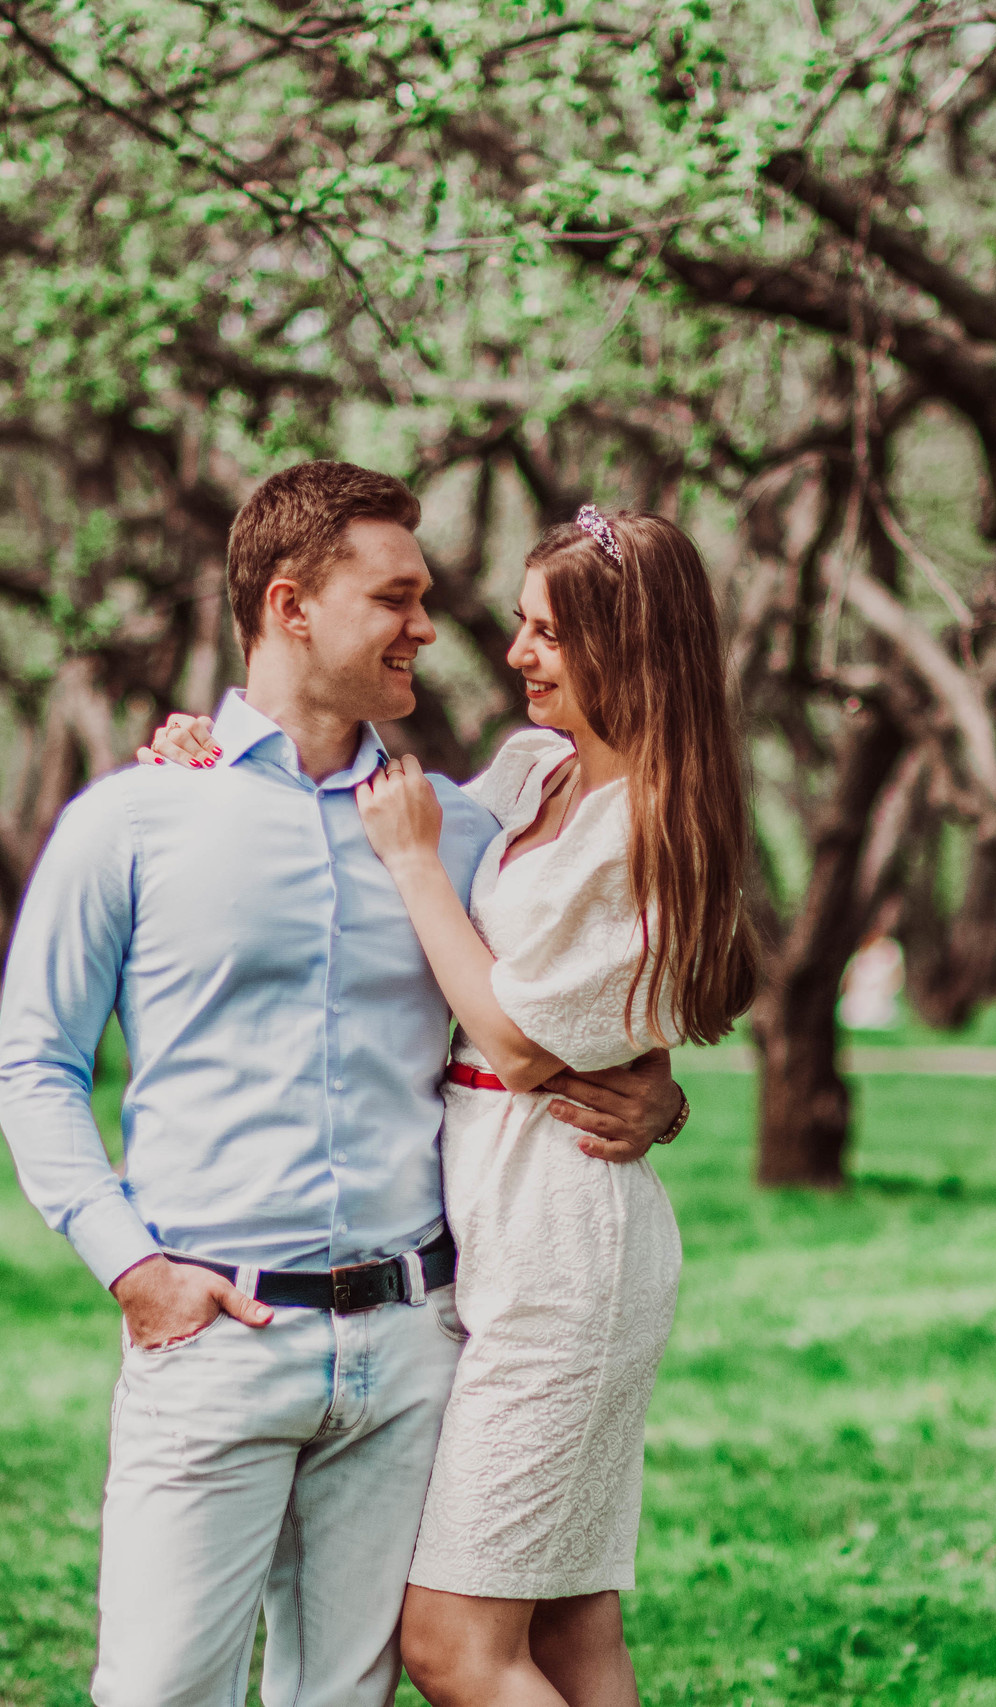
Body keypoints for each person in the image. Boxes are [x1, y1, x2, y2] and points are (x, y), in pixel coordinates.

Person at [0, 460, 690, 1707]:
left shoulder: (458, 830)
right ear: (289, 606)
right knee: (155, 1694)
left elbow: (560, 992)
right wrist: (132, 1269)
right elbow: (35, 1064)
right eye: (395, 598)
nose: (430, 627)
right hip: (215, 1339)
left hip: (414, 1343)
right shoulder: (137, 818)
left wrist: (657, 1090)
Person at [144, 502, 757, 1707]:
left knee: (453, 1647)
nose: (518, 655)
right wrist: (226, 762)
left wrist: (422, 864)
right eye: (524, 626)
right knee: (572, 1632)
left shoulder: (645, 829)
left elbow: (520, 1042)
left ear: (628, 646)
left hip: (556, 1263)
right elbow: (363, 816)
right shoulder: (540, 775)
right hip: (501, 1231)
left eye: (549, 634)